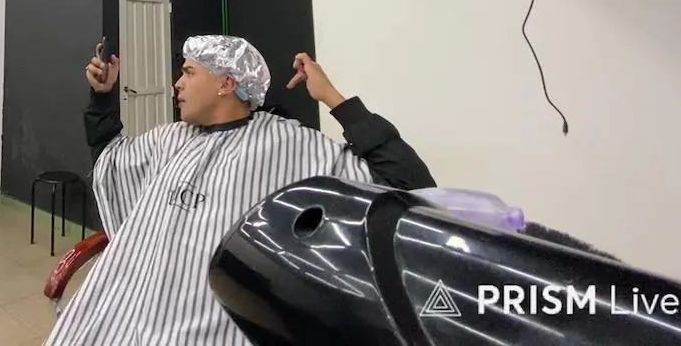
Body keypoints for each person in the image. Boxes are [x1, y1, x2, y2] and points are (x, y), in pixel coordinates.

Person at [45, 36, 435, 345]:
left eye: (189, 72)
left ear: (227, 83)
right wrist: (102, 97)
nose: (177, 83)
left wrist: (333, 98)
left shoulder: (289, 145)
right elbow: (111, 159)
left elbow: (407, 185)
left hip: (214, 323)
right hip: (121, 310)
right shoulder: (169, 138)